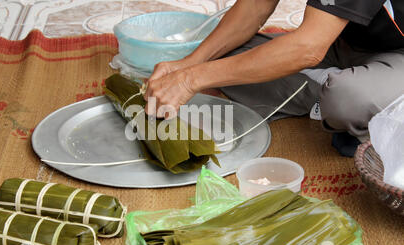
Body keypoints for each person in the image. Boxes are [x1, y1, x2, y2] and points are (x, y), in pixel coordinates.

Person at [143, 0, 404, 157]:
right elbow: (255, 8)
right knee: (224, 59)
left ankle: (346, 96)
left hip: (397, 53)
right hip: (341, 37)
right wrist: (191, 64)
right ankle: (339, 90)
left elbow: (308, 49)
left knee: (346, 100)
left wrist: (190, 80)